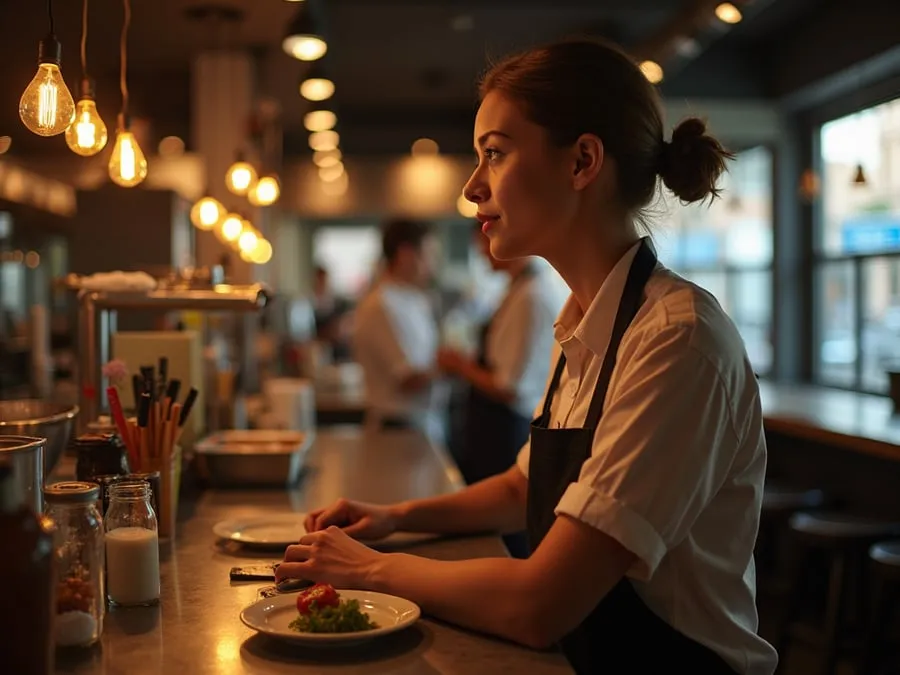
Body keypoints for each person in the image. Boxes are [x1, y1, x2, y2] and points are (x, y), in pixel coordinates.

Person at [277, 38, 777, 674]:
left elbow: (541, 604)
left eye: (494, 153)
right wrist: (392, 517)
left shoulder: (676, 340)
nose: (470, 187)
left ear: (582, 162)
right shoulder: (582, 321)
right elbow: (523, 485)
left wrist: (371, 569)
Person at [437, 224, 563, 556]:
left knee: (505, 539)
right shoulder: (517, 290)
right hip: (495, 426)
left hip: (506, 429)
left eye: (484, 238)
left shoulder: (532, 296)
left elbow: (510, 387)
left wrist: (459, 365)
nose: (482, 249)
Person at [351, 217, 448, 443]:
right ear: (406, 255)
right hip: (397, 428)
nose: (432, 264)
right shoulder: (380, 305)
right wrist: (454, 366)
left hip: (423, 423)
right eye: (428, 255)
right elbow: (407, 381)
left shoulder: (415, 298)